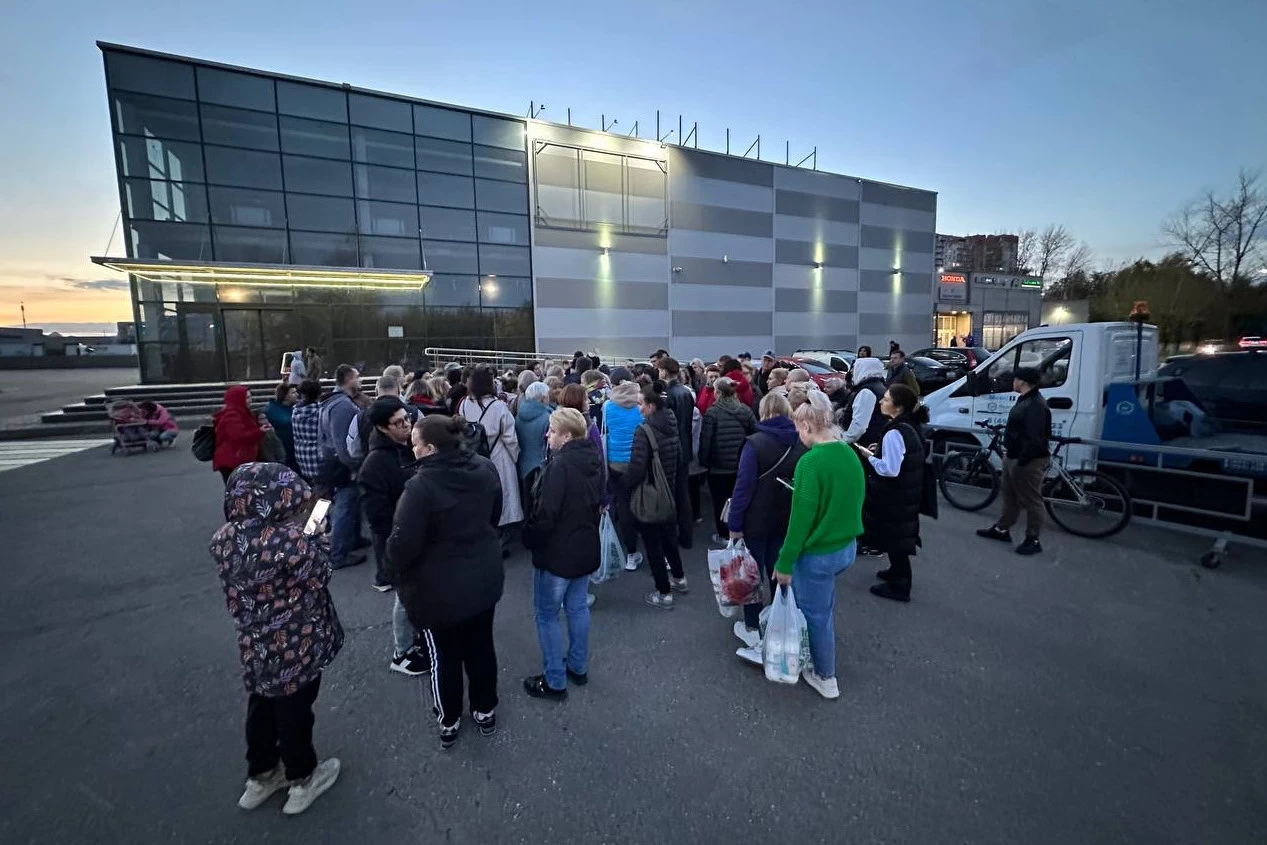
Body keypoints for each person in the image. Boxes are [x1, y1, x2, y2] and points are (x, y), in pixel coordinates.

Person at [209, 462, 343, 815]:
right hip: (296, 638)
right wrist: (318, 539)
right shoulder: (289, 539)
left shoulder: (223, 538)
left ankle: (261, 774)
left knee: (262, 703)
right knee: (295, 708)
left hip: (254, 639)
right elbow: (319, 574)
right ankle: (302, 778)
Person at [386, 415, 505, 750]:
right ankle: (485, 708)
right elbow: (494, 514)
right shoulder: (484, 468)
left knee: (443, 656)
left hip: (436, 588)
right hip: (482, 576)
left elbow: (403, 544)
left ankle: (449, 717)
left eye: (415, 445)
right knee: (481, 646)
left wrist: (393, 569)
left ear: (430, 449)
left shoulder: (420, 487)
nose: (412, 449)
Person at [757, 392, 865, 701]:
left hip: (819, 554)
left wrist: (784, 562)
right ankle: (821, 659)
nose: (797, 436)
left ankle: (825, 676)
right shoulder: (848, 452)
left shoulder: (810, 462)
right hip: (846, 547)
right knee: (823, 608)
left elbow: (800, 521)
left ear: (806, 425)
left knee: (815, 615)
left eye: (797, 429)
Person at [522, 408, 603, 700]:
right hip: (585, 546)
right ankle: (577, 666)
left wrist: (529, 537)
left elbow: (545, 514)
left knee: (547, 615)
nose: (547, 435)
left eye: (553, 431)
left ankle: (554, 680)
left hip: (558, 552)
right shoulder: (593, 459)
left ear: (567, 435)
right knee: (577, 608)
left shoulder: (560, 466)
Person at [727, 392, 805, 647]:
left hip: (756, 519)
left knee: (752, 574)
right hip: (787, 518)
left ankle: (752, 626)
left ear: (764, 412)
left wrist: (734, 524)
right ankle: (783, 618)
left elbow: (743, 487)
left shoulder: (755, 443)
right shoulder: (801, 441)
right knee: (781, 568)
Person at [358, 398, 428, 671]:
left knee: (416, 593)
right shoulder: (375, 464)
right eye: (399, 422)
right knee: (405, 597)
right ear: (382, 427)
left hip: (417, 536)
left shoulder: (406, 449)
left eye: (407, 418)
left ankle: (416, 638)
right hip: (398, 541)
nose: (407, 425)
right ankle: (402, 652)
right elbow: (378, 517)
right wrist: (400, 540)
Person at [854, 384, 929, 602]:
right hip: (906, 492)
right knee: (897, 537)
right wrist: (880, 449)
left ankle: (901, 585)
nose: (881, 402)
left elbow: (890, 469)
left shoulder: (895, 431)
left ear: (898, 406)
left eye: (886, 399)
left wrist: (870, 457)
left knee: (897, 539)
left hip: (897, 495)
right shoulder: (906, 425)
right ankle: (895, 571)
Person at [622, 383, 688, 609]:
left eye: (641, 404)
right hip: (668, 489)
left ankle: (664, 592)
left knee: (652, 544)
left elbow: (637, 467)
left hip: (650, 493)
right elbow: (678, 457)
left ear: (651, 406)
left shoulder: (644, 430)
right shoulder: (671, 423)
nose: (638, 408)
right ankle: (679, 578)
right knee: (669, 538)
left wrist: (625, 485)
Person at [976, 367, 1052, 555]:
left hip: (1027, 460)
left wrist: (1023, 460)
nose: (1013, 382)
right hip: (1014, 456)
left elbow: (1035, 437)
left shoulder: (1035, 405)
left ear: (1022, 381)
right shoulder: (1026, 400)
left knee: (1031, 499)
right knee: (1010, 495)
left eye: (1015, 379)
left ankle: (1033, 539)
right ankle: (1002, 529)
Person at [459, 367, 523, 548]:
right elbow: (510, 437)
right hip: (498, 454)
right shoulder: (498, 406)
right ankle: (501, 531)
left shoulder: (464, 404)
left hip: (474, 454)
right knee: (503, 492)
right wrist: (515, 457)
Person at [318, 365, 366, 570]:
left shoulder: (333, 403)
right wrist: (354, 465)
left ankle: (352, 540)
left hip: (335, 463)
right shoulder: (342, 406)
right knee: (344, 508)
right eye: (357, 377)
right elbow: (343, 442)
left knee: (348, 505)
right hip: (343, 466)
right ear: (348, 379)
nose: (360, 381)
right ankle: (339, 554)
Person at [699, 377, 757, 542]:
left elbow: (706, 441)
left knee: (720, 503)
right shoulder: (745, 410)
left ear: (717, 392)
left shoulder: (712, 413)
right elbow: (755, 434)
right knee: (740, 500)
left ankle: (724, 535)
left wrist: (704, 462)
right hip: (741, 465)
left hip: (718, 467)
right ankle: (740, 532)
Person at [604, 380, 644, 571]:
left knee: (624, 505)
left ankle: (631, 554)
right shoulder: (640, 407)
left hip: (616, 462)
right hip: (639, 461)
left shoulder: (608, 406)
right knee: (644, 502)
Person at [212, 385, 264, 484]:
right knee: (238, 490)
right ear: (238, 399)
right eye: (247, 398)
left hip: (238, 459)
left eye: (250, 397)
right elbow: (238, 436)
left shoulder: (241, 412)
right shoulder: (232, 414)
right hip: (232, 461)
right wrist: (259, 431)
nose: (250, 400)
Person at [515, 381, 553, 510]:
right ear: (543, 398)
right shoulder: (548, 417)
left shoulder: (519, 414)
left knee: (526, 504)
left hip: (522, 464)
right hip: (540, 467)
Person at [840, 358, 888, 446]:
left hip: (864, 444)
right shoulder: (880, 386)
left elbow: (859, 425)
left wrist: (844, 439)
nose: (852, 373)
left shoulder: (866, 391)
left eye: (854, 369)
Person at [290, 380, 324, 483]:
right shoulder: (320, 412)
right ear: (319, 394)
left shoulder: (295, 411)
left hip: (302, 458)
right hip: (319, 459)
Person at [264, 383, 298, 467]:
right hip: (282, 450)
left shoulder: (295, 407)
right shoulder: (271, 409)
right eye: (293, 393)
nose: (297, 395)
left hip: (294, 449)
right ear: (285, 396)